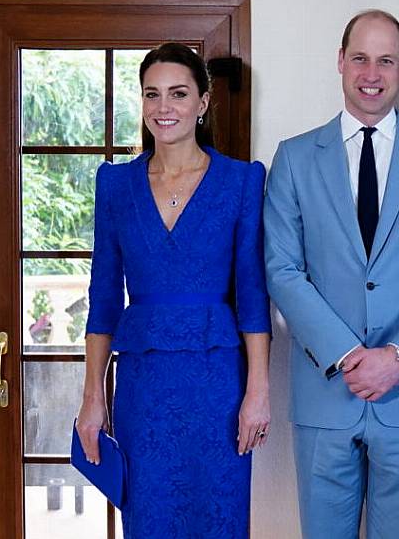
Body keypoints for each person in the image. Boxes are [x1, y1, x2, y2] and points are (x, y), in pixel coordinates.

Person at [263, 9, 399, 539]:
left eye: (385, 60)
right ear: (340, 62)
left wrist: (395, 357)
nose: (371, 73)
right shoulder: (293, 158)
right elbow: (283, 269)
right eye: (360, 58)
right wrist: (350, 355)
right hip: (324, 389)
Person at [75, 42, 272, 538]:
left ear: (203, 102)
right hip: (144, 385)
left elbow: (252, 297)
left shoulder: (241, 181)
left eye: (179, 93)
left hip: (219, 386)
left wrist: (258, 392)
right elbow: (102, 302)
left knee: (219, 515)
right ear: (141, 103)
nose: (165, 108)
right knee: (150, 516)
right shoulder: (115, 185)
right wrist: (92, 397)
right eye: (152, 95)